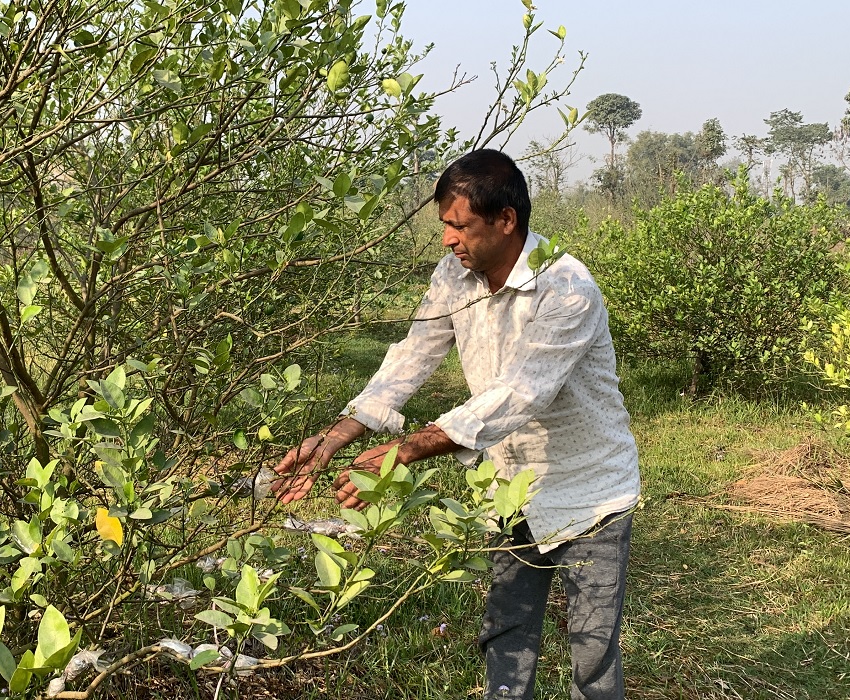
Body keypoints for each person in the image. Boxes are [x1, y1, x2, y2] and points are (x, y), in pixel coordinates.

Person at [270, 149, 640, 700]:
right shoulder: (455, 275)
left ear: (506, 221)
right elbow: (412, 355)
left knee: (591, 653)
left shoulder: (567, 289)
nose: (447, 239)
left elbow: (519, 395)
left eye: (459, 226)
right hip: (510, 489)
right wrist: (336, 436)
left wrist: (410, 447)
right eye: (445, 225)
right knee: (507, 637)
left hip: (590, 495)